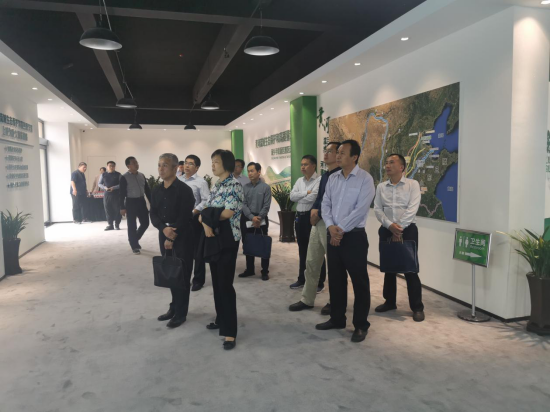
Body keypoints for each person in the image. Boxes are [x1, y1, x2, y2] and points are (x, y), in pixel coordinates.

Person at [316, 139, 375, 343]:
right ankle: (337, 318)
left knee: (359, 282)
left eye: (342, 153)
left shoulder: (365, 179)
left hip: (354, 237)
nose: (338, 155)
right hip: (333, 233)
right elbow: (325, 204)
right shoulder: (333, 178)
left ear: (354, 157)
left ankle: (360, 325)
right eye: (338, 152)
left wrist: (339, 230)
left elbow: (360, 210)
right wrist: (330, 227)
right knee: (336, 279)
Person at [289, 142, 341, 313]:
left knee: (334, 265)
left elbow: (334, 202)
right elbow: (319, 198)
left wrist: (318, 211)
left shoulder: (341, 176)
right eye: (326, 150)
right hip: (317, 222)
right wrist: (315, 210)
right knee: (311, 262)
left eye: (330, 151)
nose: (326, 154)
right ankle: (307, 299)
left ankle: (335, 302)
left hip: (331, 224)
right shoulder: (326, 176)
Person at [200, 149, 243, 350]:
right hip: (213, 237)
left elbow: (228, 212)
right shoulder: (216, 185)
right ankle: (220, 318)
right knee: (216, 283)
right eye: (212, 162)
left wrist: (207, 218)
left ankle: (230, 331)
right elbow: (205, 210)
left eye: (216, 162)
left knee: (225, 285)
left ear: (226, 164)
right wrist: (206, 224)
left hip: (227, 239)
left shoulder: (234, 185)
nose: (213, 165)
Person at [374, 153, 425, 322]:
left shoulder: (412, 184)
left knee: (410, 269)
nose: (387, 165)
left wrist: (399, 228)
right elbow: (378, 209)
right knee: (389, 268)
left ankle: (417, 307)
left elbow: (412, 208)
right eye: (386, 162)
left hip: (408, 230)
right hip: (386, 229)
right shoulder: (381, 187)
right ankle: (389, 302)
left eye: (392, 162)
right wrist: (390, 226)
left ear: (402, 167)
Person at [150, 153, 195, 329]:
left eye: (165, 165)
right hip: (164, 232)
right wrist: (163, 229)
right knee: (170, 271)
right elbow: (153, 213)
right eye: (159, 165)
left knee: (182, 274)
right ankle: (174, 307)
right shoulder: (156, 190)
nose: (161, 169)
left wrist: (171, 235)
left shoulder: (184, 190)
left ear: (176, 168)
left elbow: (185, 216)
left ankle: (181, 313)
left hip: (182, 235)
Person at [289, 155, 326, 291]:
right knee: (302, 249)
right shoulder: (300, 180)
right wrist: (306, 192)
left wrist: (301, 195)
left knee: (317, 250)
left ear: (313, 166)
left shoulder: (320, 180)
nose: (302, 167)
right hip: (300, 217)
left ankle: (319, 282)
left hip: (312, 218)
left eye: (305, 164)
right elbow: (292, 196)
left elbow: (313, 198)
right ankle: (302, 279)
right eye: (301, 164)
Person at [178, 155, 211, 291]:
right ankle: (183, 277)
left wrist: (194, 211)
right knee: (182, 250)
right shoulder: (178, 180)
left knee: (197, 252)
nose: (187, 165)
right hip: (180, 220)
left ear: (197, 168)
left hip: (194, 219)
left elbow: (206, 200)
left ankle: (198, 280)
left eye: (190, 163)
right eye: (186, 163)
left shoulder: (201, 182)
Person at [239, 162, 272, 281]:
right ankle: (249, 269)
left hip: (261, 219)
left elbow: (266, 205)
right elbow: (243, 204)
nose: (250, 173)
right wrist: (251, 217)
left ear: (259, 172)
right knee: (248, 243)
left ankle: (264, 271)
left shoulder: (265, 187)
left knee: (263, 243)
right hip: (247, 218)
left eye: (252, 171)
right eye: (248, 171)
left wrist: (259, 217)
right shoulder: (245, 187)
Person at [120, 157, 151, 255]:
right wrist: (122, 207)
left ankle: (134, 238)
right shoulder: (124, 177)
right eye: (134, 163)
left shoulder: (142, 175)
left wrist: (152, 202)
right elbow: (121, 193)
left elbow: (147, 190)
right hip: (131, 202)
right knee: (132, 225)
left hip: (141, 201)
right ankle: (134, 245)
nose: (136, 164)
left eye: (136, 162)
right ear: (128, 166)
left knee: (145, 223)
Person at [99, 161, 122, 231]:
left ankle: (117, 224)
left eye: (113, 166)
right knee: (108, 210)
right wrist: (104, 187)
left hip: (116, 195)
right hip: (107, 195)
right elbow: (99, 184)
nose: (111, 167)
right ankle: (110, 225)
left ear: (115, 167)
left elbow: (122, 184)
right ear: (107, 166)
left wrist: (113, 188)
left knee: (117, 210)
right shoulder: (103, 175)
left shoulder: (118, 174)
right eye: (110, 166)